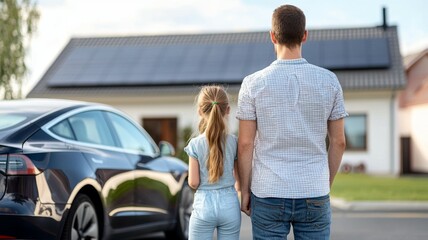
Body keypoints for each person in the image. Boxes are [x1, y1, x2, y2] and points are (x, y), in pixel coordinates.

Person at [237, 4, 348, 240]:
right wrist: (323, 183)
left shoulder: (252, 84)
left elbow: (245, 144)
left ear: (272, 36)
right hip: (314, 190)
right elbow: (339, 142)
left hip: (267, 192)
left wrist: (244, 190)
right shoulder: (329, 81)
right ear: (304, 35)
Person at [184, 85, 241, 240]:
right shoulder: (234, 142)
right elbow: (239, 180)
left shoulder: (195, 144)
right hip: (229, 204)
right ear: (227, 110)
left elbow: (194, 182)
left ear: (200, 111)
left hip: (203, 206)